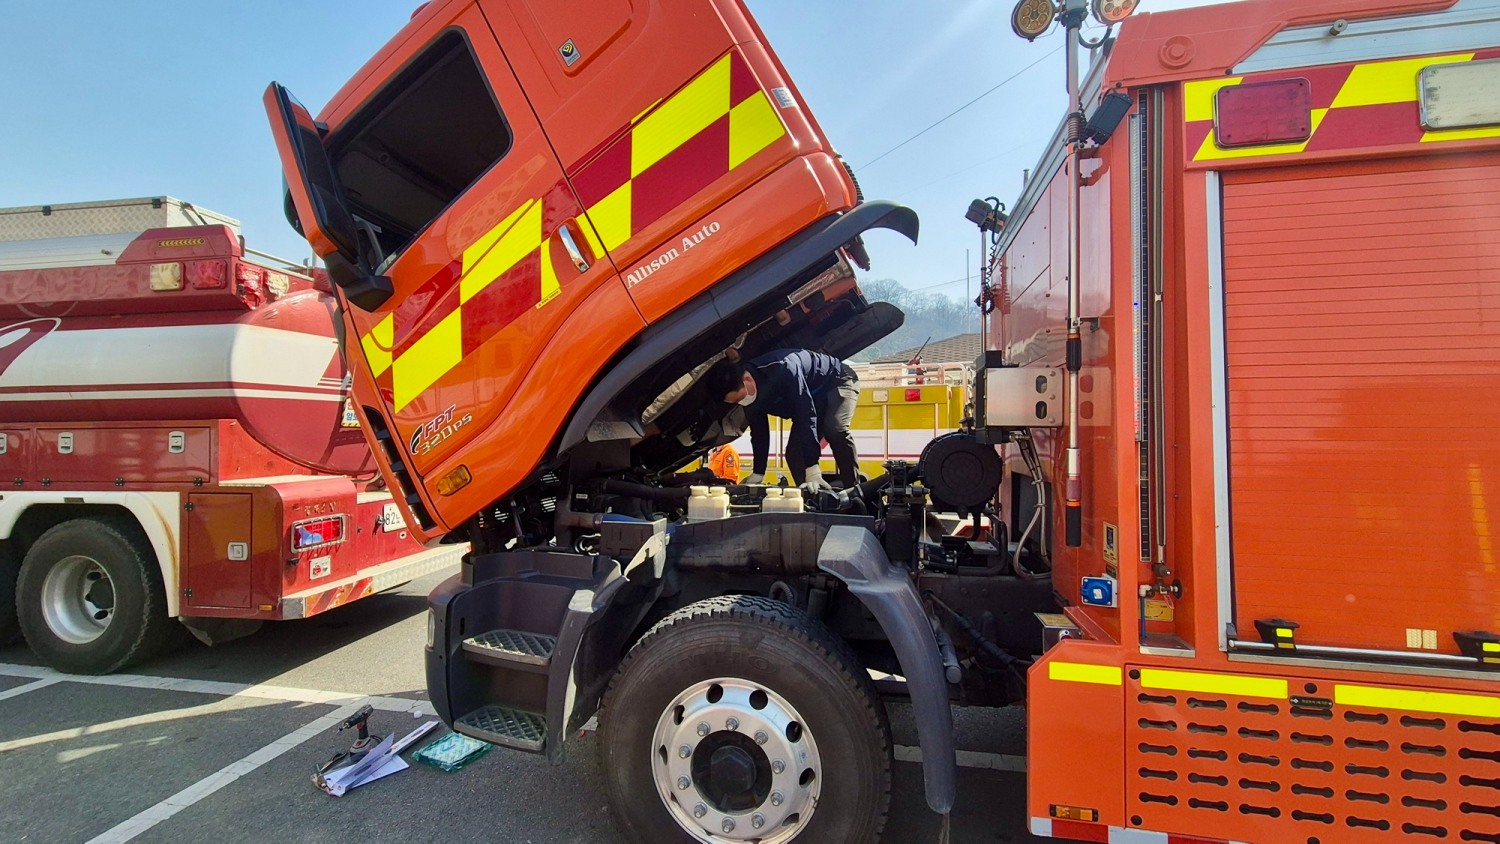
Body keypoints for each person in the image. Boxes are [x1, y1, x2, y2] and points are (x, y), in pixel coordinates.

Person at [704, 349, 860, 490]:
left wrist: (812, 466)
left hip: (837, 380)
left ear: (747, 379)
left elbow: (805, 413)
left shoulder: (782, 368)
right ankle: (815, 498)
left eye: (740, 397)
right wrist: (758, 472)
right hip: (814, 400)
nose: (741, 402)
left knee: (835, 428)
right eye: (735, 402)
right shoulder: (748, 396)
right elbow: (759, 432)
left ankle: (854, 490)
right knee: (794, 455)